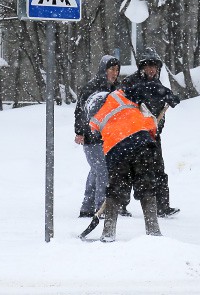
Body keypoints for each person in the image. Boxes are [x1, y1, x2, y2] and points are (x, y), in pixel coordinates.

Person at [88, 83, 180, 242]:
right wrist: (166, 94)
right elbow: (148, 87)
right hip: (141, 143)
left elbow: (99, 141)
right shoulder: (120, 95)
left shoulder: (94, 120)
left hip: (117, 151)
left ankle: (108, 232)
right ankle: (153, 230)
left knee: (115, 189)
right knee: (146, 185)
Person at [119, 47, 180, 217]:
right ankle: (120, 206)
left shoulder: (158, 85)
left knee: (158, 170)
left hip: (152, 137)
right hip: (131, 136)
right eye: (148, 66)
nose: (152, 69)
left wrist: (157, 129)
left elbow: (159, 111)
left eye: (154, 66)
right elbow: (125, 106)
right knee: (128, 171)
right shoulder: (130, 83)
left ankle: (162, 206)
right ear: (141, 67)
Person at [74, 55, 131, 218]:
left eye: (117, 70)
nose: (115, 73)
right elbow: (80, 111)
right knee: (103, 171)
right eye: (112, 69)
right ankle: (102, 208)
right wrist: (80, 131)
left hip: (110, 137)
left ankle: (87, 207)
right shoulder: (91, 87)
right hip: (92, 138)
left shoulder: (117, 89)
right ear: (103, 70)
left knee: (96, 171)